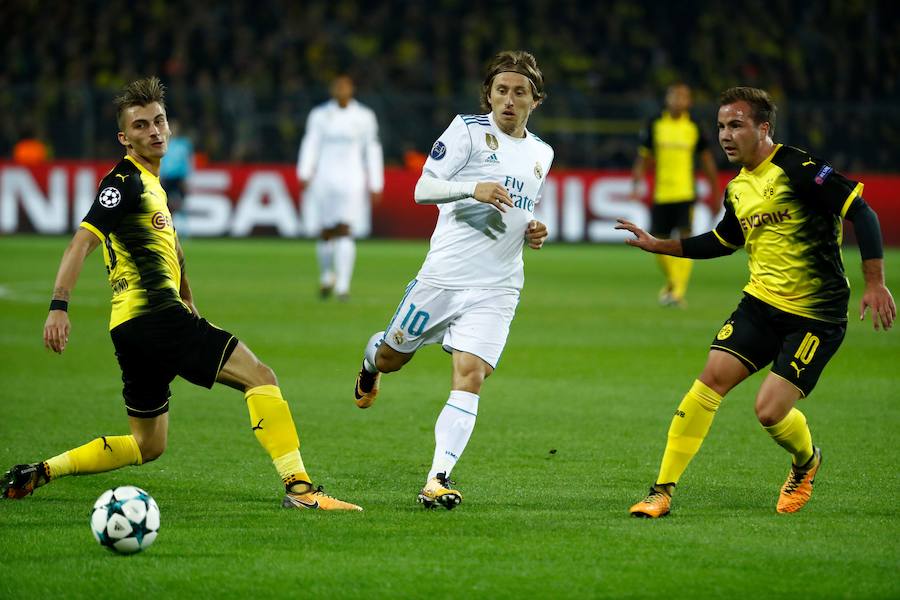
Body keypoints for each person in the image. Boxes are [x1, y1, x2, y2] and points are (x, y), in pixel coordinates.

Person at [1, 77, 361, 511]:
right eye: (140, 126)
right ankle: (301, 490)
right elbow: (81, 241)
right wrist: (59, 307)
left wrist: (188, 294)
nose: (153, 131)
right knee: (260, 377)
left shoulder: (154, 186)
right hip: (155, 316)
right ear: (124, 138)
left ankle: (40, 472)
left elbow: (172, 247)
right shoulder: (124, 182)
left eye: (159, 121)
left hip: (131, 328)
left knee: (147, 444)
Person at [616, 86, 895, 518]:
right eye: (721, 126)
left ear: (763, 128)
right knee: (709, 379)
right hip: (761, 305)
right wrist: (659, 245)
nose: (725, 135)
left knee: (768, 411)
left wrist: (874, 282)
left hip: (815, 317)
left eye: (736, 125)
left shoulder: (799, 168)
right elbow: (723, 241)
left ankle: (806, 462)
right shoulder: (738, 188)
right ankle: (661, 491)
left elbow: (863, 212)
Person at [353, 50, 553, 510]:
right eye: (501, 90)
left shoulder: (543, 153)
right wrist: (471, 187)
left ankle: (437, 477)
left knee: (471, 375)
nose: (508, 100)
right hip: (443, 279)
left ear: (534, 101)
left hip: (499, 285)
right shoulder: (466, 131)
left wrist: (535, 230)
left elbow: (521, 209)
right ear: (489, 94)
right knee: (390, 359)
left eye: (519, 92)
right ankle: (369, 363)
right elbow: (423, 188)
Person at [296, 74, 384, 301]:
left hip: (352, 180)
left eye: (345, 87)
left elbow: (372, 149)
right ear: (332, 90)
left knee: (345, 229)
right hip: (324, 178)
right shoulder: (319, 115)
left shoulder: (364, 116)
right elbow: (310, 143)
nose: (341, 91)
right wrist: (305, 172)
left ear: (351, 90)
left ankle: (343, 285)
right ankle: (327, 276)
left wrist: (376, 182)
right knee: (326, 231)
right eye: (337, 87)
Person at [631, 82, 719, 307]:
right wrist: (636, 181)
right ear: (667, 99)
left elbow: (706, 160)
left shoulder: (695, 126)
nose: (678, 100)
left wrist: (715, 191)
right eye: (674, 96)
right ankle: (673, 283)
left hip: (685, 193)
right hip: (662, 193)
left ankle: (677, 291)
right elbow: (644, 156)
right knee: (657, 244)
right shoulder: (655, 124)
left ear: (689, 102)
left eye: (683, 97)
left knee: (685, 239)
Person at [159, 119, 194, 237]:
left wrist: (187, 177)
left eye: (175, 127)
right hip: (167, 178)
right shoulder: (163, 143)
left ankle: (184, 230)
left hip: (179, 178)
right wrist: (160, 175)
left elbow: (188, 162)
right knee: (166, 205)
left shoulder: (184, 144)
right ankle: (168, 229)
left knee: (180, 204)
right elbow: (161, 161)